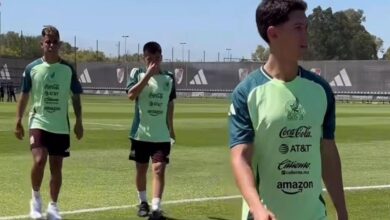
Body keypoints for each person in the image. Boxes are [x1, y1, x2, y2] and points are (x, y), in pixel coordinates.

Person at [228, 1, 348, 220]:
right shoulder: (247, 93)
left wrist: (342, 211)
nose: (306, 35)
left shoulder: (321, 90)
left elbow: (327, 153)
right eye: (298, 28)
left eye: (306, 27)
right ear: (273, 33)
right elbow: (240, 157)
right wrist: (257, 208)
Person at [14, 25, 83, 220]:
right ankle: (35, 199)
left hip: (60, 126)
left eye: (54, 42)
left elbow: (76, 97)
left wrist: (79, 121)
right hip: (38, 121)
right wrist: (18, 120)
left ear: (59, 44)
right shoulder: (32, 68)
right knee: (39, 159)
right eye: (47, 42)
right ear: (42, 44)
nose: (51, 45)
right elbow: (24, 95)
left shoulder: (68, 69)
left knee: (56, 167)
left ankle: (53, 207)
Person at [126, 41, 176, 220]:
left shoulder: (169, 78)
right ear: (144, 58)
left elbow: (170, 103)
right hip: (140, 133)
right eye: (149, 59)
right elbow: (131, 95)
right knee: (141, 169)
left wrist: (171, 127)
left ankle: (156, 208)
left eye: (157, 58)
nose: (154, 62)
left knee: (159, 168)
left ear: (161, 57)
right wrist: (147, 75)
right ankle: (143, 202)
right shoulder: (137, 73)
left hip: (161, 134)